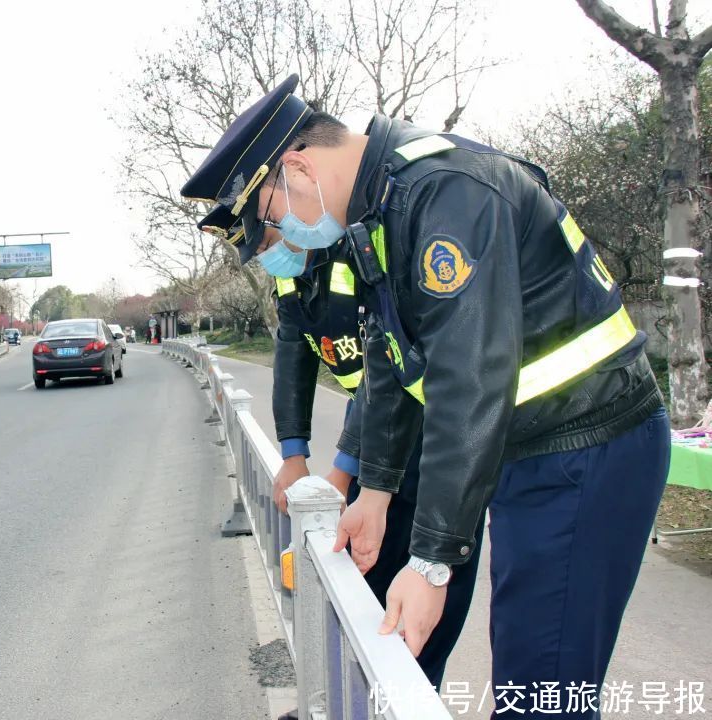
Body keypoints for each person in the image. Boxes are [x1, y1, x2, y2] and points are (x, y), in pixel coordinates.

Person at [181, 75, 668, 718]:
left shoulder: (444, 193)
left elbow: (467, 383)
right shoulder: (382, 205)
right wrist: (376, 492)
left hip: (587, 445)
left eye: (269, 221)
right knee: (530, 670)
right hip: (534, 449)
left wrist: (432, 560)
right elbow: (392, 355)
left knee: (540, 685)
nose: (281, 241)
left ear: (296, 167)